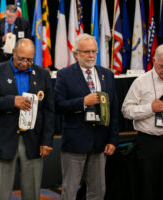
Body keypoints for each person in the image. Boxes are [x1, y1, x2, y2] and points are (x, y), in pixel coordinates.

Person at [0, 38, 54, 200]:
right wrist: (11, 101)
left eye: (30, 60)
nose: (25, 63)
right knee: (0, 193)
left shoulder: (43, 74)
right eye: (21, 58)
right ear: (13, 52)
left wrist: (47, 140)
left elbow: (49, 110)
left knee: (32, 194)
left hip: (34, 142)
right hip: (4, 140)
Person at [55, 33, 119, 200]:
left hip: (100, 142)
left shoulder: (107, 74)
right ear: (76, 54)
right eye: (86, 52)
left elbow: (113, 110)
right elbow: (58, 105)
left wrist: (112, 140)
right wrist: (83, 102)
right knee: (69, 190)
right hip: (75, 141)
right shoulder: (65, 75)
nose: (91, 55)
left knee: (98, 191)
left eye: (94, 51)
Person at [122, 45, 163, 200]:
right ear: (154, 61)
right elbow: (126, 111)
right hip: (149, 142)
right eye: (161, 66)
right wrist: (150, 108)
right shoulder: (141, 82)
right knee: (148, 186)